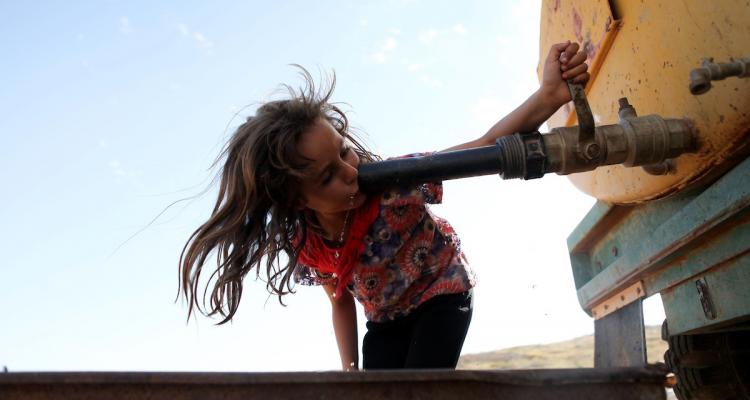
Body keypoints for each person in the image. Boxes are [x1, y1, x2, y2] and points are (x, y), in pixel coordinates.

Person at [179, 41, 590, 371]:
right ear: (295, 200)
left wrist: (549, 96)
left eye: (344, 152)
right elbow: (340, 299)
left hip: (442, 293)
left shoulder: (393, 183)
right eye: (328, 176)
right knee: (377, 390)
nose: (350, 172)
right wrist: (349, 370)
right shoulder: (310, 244)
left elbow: (482, 147)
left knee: (417, 387)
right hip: (386, 320)